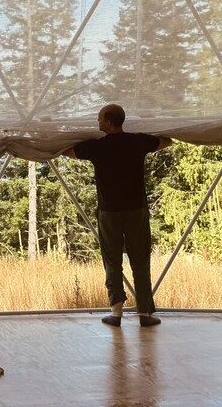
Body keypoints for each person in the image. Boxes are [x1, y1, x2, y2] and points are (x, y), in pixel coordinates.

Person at [65, 104, 171, 328]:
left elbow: (68, 152)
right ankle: (145, 313)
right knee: (140, 261)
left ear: (108, 121)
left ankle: (116, 313)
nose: (97, 122)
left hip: (109, 212)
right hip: (136, 210)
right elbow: (166, 142)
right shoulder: (138, 141)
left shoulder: (96, 147)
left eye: (99, 119)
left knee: (112, 261)